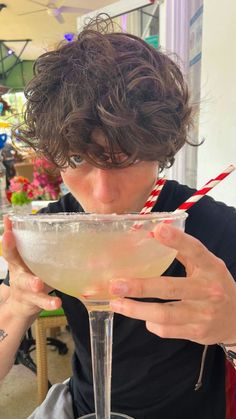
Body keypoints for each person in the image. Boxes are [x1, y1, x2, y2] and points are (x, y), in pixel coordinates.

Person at [0, 17, 236, 419]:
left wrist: (234, 329)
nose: (104, 196)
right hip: (80, 408)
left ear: (160, 150)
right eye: (77, 159)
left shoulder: (214, 229)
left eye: (125, 156)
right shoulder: (53, 235)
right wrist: (18, 306)